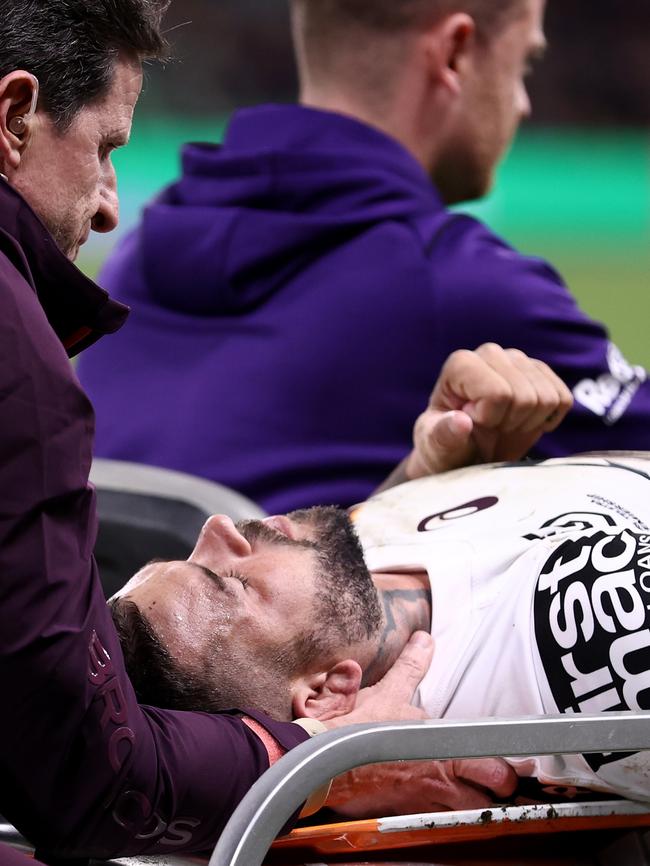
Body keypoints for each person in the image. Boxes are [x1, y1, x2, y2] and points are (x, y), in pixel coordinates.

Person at [0, 3, 448, 860]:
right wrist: (327, 756)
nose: (108, 208)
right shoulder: (22, 369)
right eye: (106, 149)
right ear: (16, 116)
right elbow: (98, 779)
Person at [77, 0, 650, 516]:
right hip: (285, 633)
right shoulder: (458, 283)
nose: (523, 103)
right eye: (523, 66)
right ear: (454, 53)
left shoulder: (138, 257)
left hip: (107, 626)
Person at [112, 449, 650, 809]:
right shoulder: (588, 643)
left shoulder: (364, 543)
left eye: (186, 555)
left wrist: (440, 468)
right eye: (229, 582)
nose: (219, 526)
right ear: (325, 696)